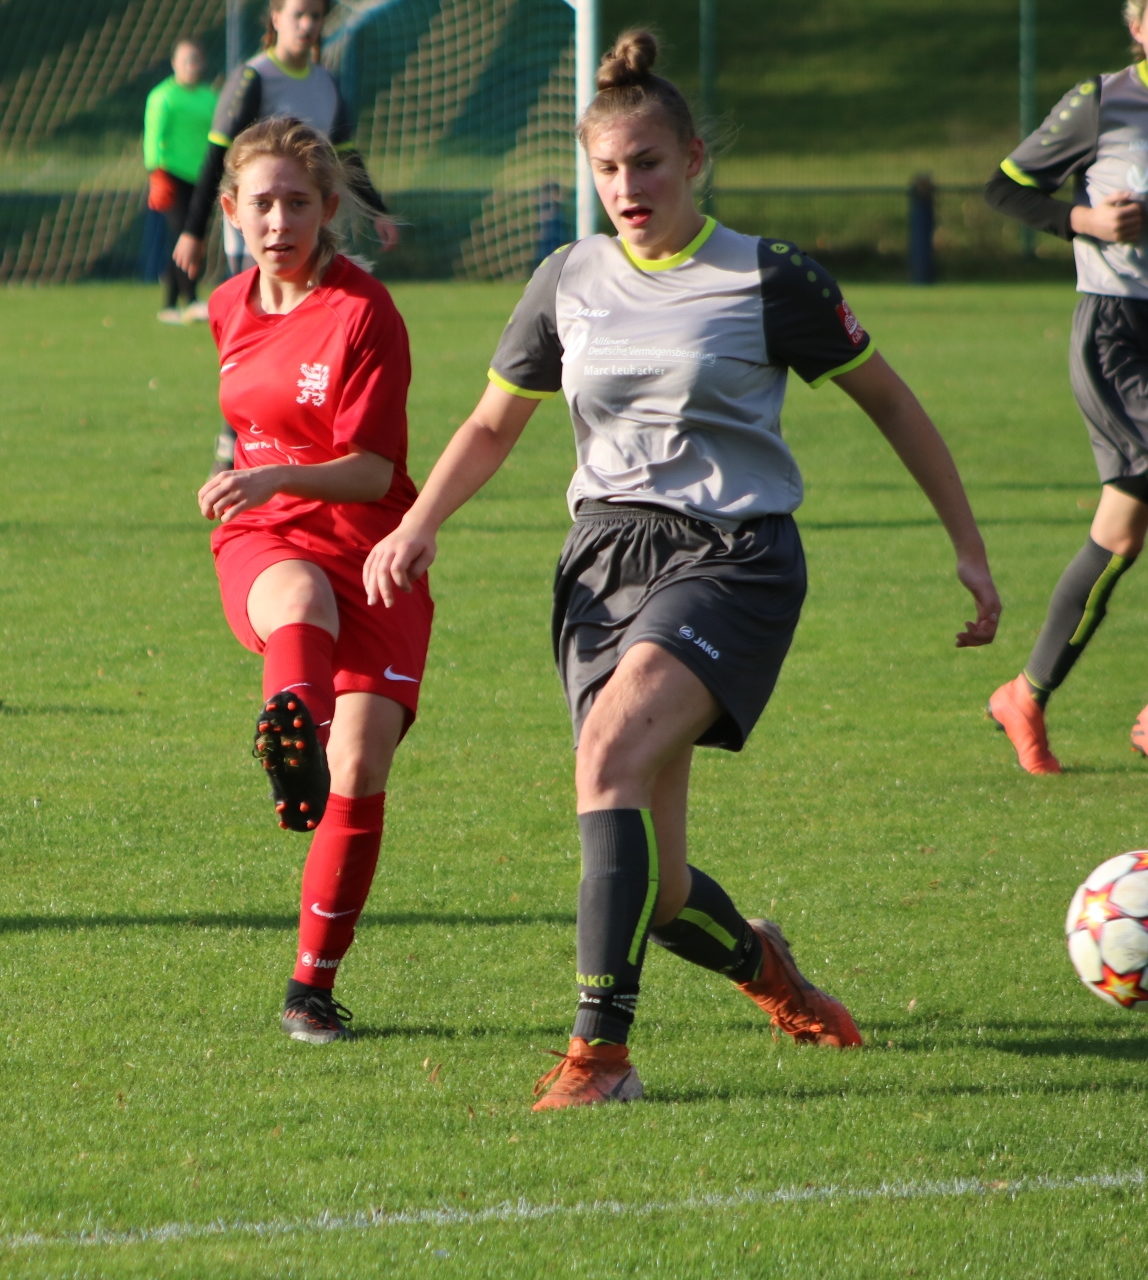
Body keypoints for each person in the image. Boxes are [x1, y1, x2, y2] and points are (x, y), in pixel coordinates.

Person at [364, 30, 1002, 1111]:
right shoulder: (567, 276)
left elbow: (891, 400)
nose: (627, 188)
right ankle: (766, 966)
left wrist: (970, 546)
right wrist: (419, 521)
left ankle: (599, 1057)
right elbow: (489, 421)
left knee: (606, 755)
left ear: (694, 157)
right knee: (653, 887)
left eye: (648, 163)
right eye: (608, 170)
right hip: (602, 562)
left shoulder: (766, 274)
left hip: (734, 556)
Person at [197, 117, 429, 1047]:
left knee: (362, 766)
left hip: (374, 543)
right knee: (296, 599)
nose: (279, 218)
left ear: (330, 208)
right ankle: (291, 734)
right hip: (267, 535)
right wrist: (250, 481)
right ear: (231, 211)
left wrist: (274, 471)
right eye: (262, 202)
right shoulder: (227, 306)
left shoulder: (363, 312)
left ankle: (311, 987)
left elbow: (375, 473)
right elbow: (248, 422)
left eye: (298, 201)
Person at [981, 0, 1148, 772]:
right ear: (1138, 25)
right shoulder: (1103, 101)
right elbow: (1006, 188)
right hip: (1118, 337)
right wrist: (1089, 222)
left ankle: (1026, 693)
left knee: (1119, 534)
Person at [175, 0, 399, 475]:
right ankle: (235, 445)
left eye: (315, 17)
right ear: (274, 18)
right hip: (260, 244)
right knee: (259, 353)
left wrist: (377, 209)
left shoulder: (325, 82)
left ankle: (305, 454)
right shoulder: (252, 79)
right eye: (297, 14)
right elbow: (217, 158)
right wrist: (193, 230)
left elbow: (344, 156)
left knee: (312, 350)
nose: (306, 25)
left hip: (309, 233)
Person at [146, 39, 219, 325]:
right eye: (185, 60)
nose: (191, 66)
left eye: (195, 60)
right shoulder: (163, 96)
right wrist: (156, 173)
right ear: (174, 63)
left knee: (192, 238)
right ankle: (190, 300)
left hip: (203, 176)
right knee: (184, 237)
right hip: (173, 175)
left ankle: (170, 305)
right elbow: (153, 137)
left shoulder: (208, 97)